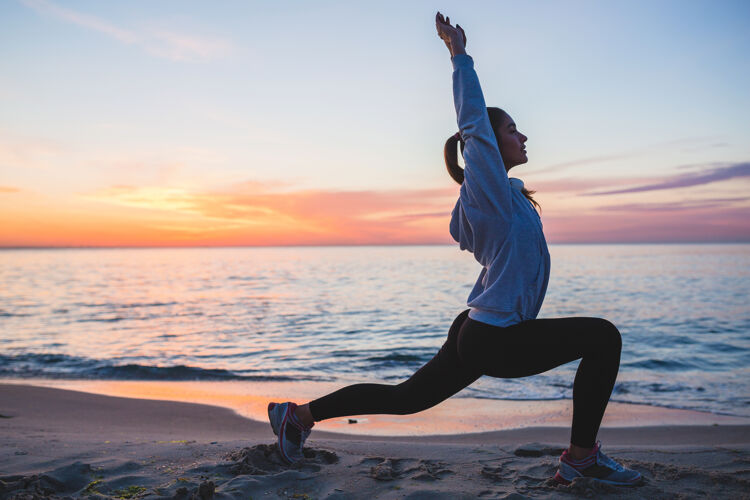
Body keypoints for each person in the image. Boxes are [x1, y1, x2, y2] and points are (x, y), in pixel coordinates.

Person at [267, 11, 642, 487]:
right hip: (494, 337)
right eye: (512, 130)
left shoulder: (501, 197)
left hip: (481, 327)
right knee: (603, 337)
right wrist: (459, 56)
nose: (522, 136)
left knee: (406, 399)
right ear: (486, 145)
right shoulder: (486, 191)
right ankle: (582, 459)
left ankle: (296, 417)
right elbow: (473, 123)